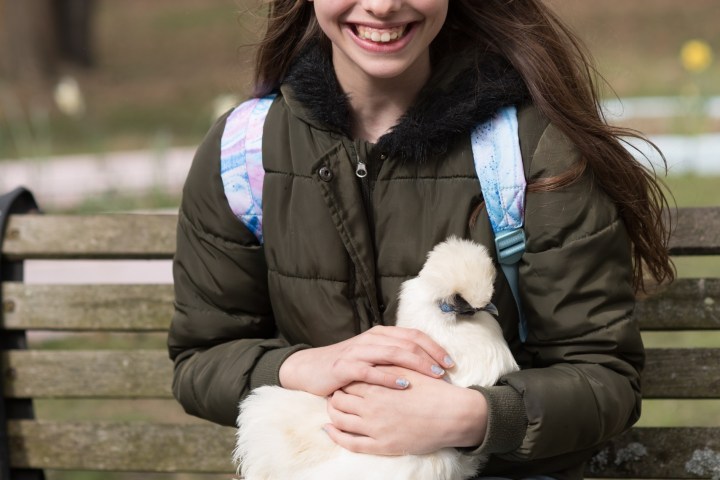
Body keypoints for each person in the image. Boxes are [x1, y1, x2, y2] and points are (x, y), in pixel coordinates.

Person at [167, 0, 675, 478]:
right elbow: (202, 359)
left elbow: (605, 379)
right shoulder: (243, 154)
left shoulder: (529, 150)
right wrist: (304, 366)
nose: (383, 6)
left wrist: (471, 417)